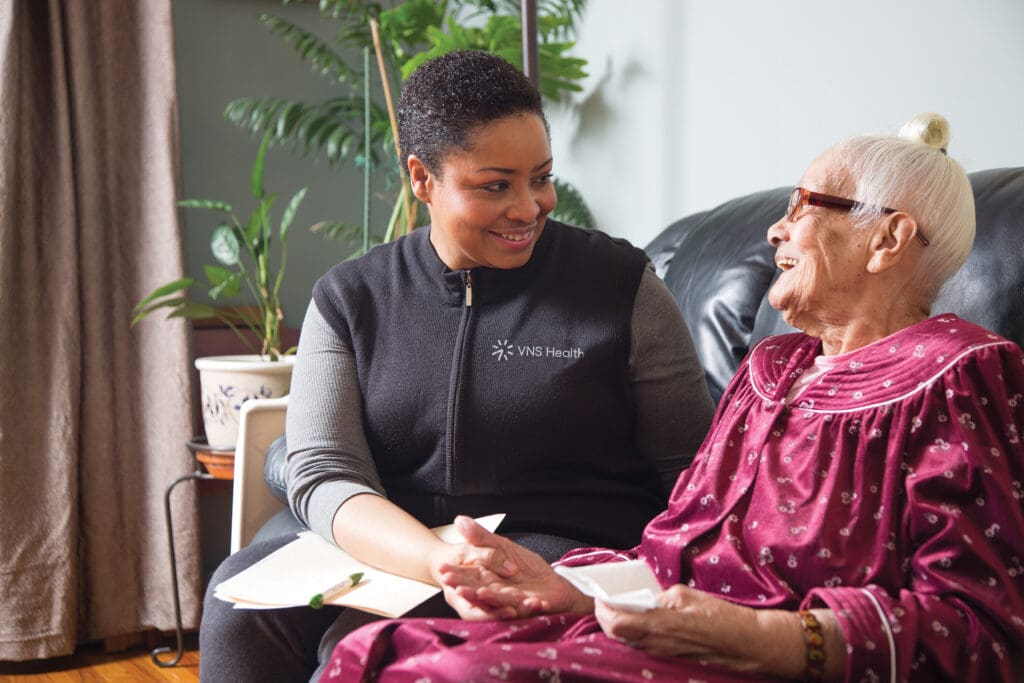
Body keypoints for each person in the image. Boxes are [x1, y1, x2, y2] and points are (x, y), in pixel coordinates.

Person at [322, 113, 1024, 682]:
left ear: (889, 238)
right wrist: (564, 588)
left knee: (454, 676)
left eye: (805, 205)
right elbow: (677, 547)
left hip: (769, 661)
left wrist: (761, 636)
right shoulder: (770, 367)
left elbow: (983, 631)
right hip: (669, 635)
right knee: (377, 649)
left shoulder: (960, 374)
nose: (776, 230)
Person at [198, 50, 715, 682]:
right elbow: (325, 470)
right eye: (495, 185)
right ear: (422, 178)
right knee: (237, 601)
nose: (528, 207)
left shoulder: (621, 287)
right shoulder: (351, 298)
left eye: (541, 177)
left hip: (561, 546)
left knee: (364, 644)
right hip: (400, 541)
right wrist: (434, 560)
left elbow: (694, 480)